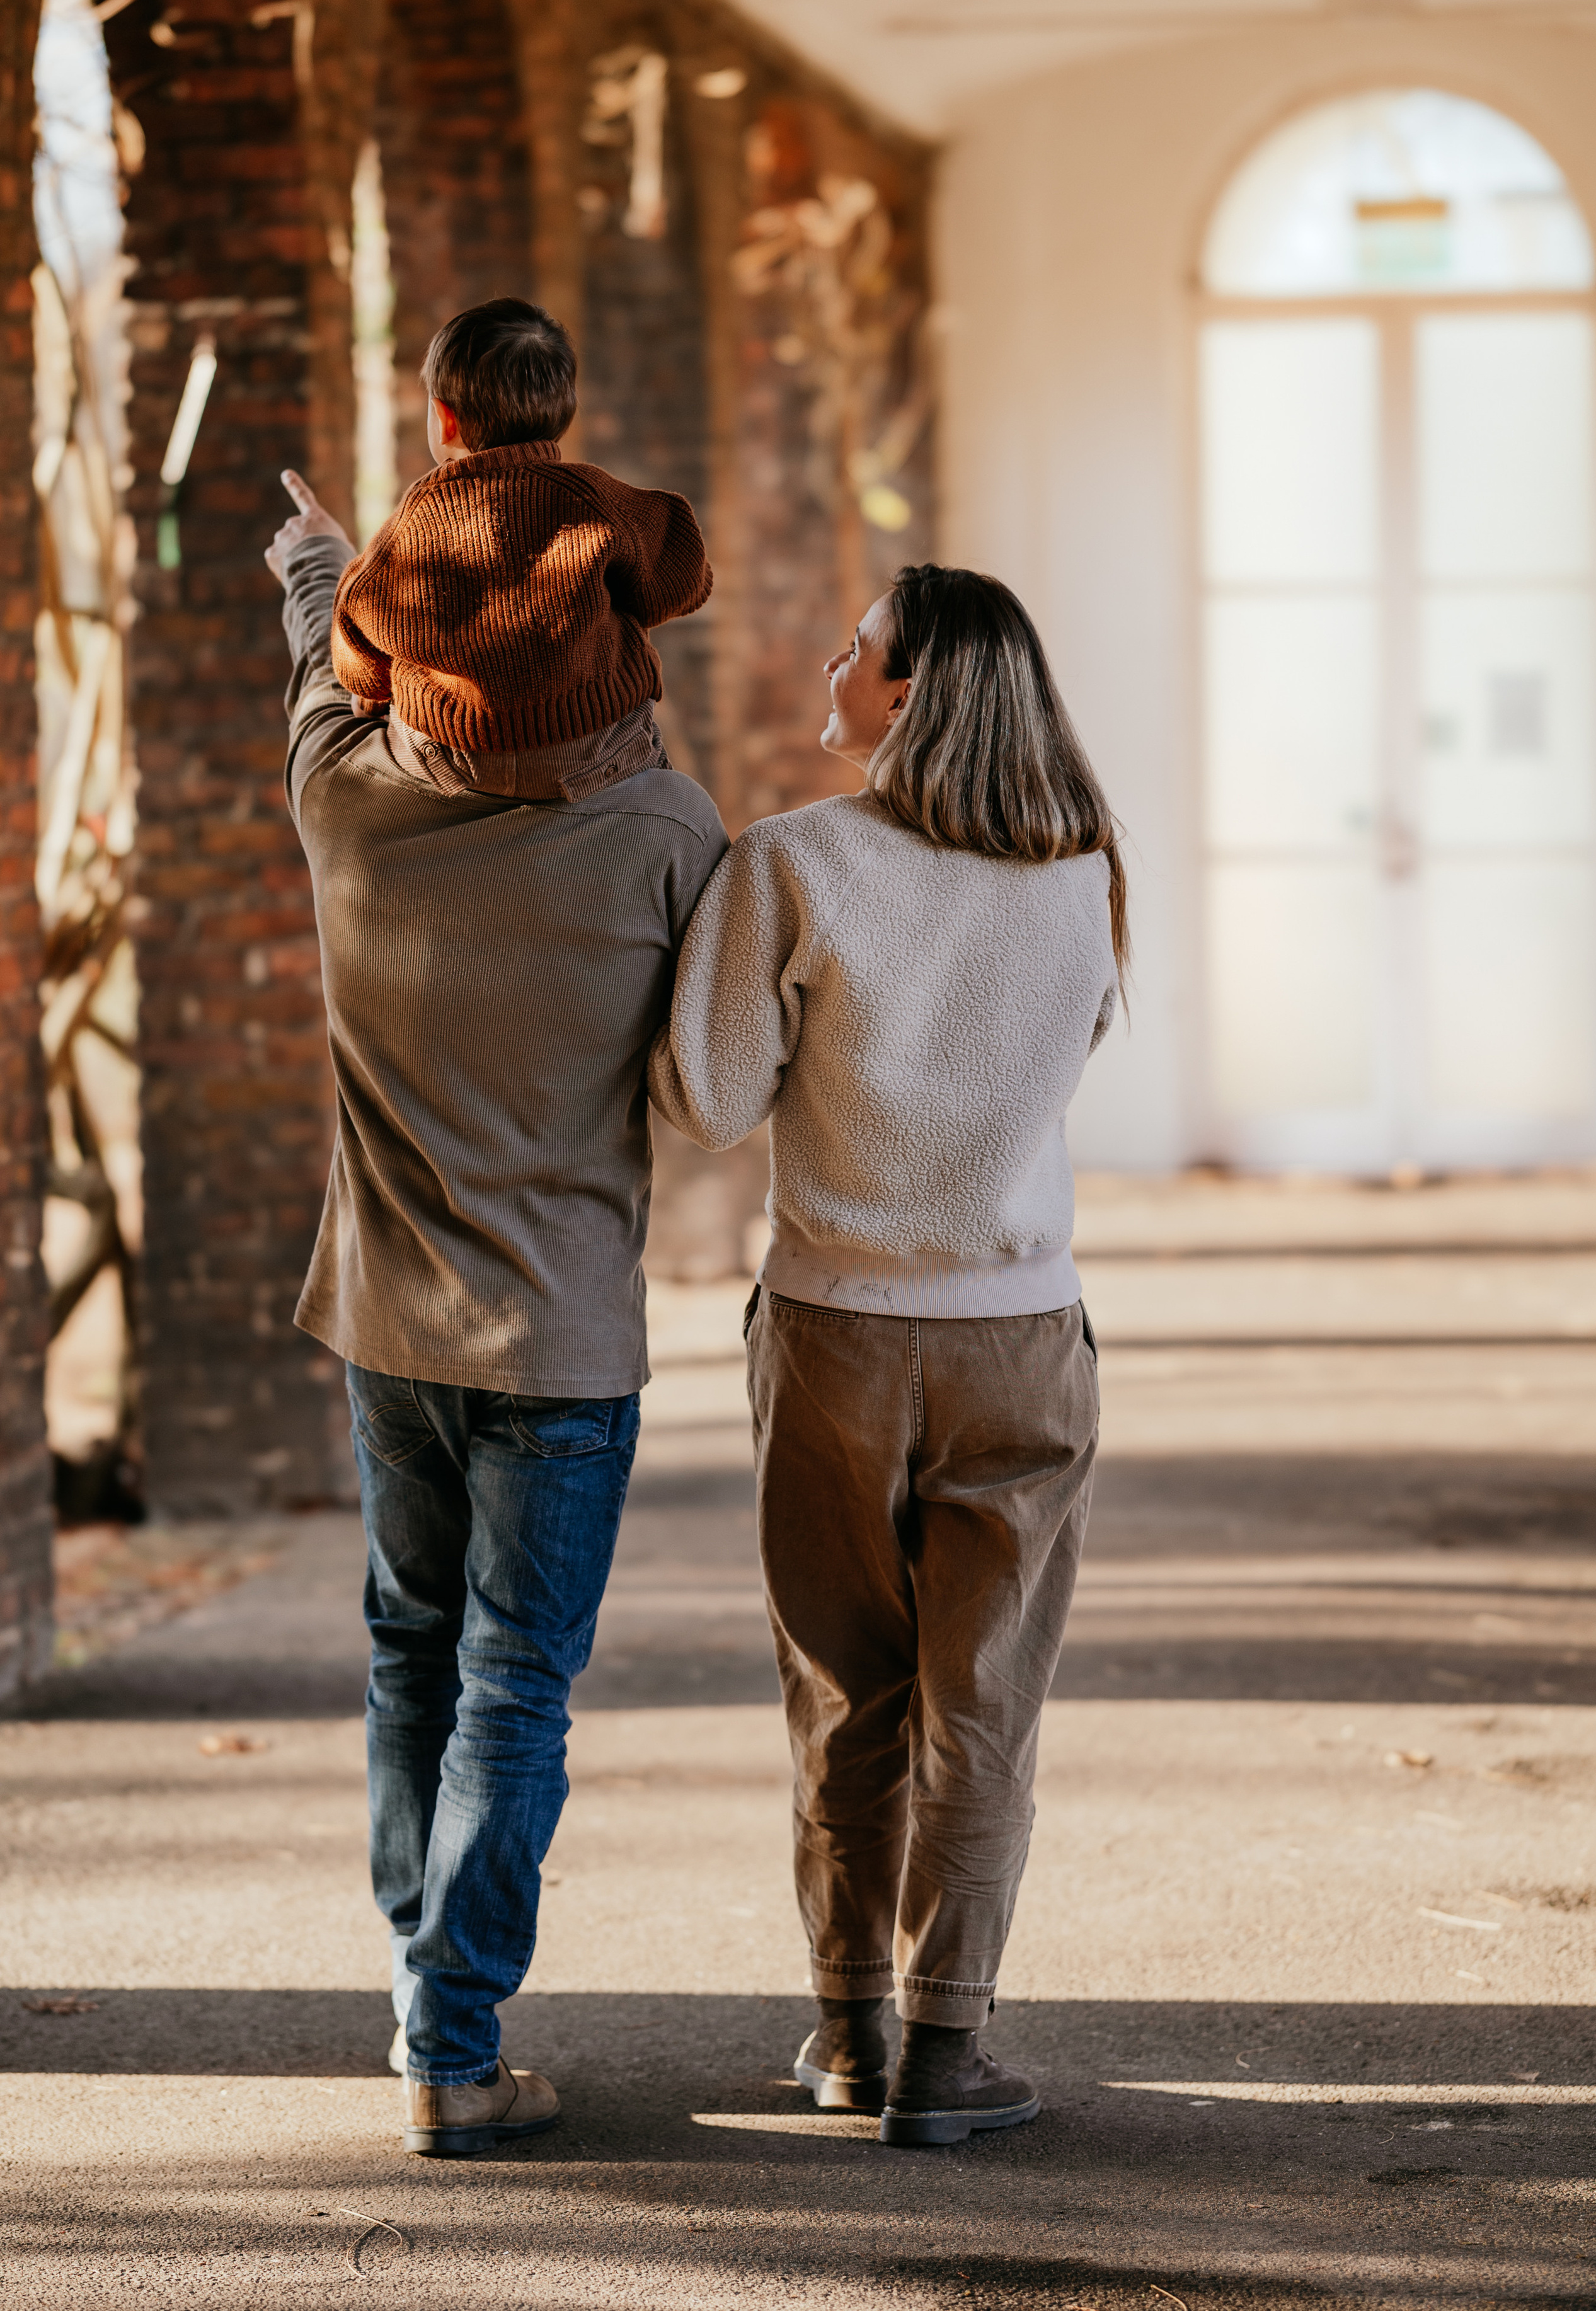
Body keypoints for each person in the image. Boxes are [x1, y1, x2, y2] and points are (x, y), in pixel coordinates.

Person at [263, 297, 726, 2156]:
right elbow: (711, 1085)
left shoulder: (343, 809)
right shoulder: (673, 837)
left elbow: (326, 643)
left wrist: (323, 562)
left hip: (388, 1323)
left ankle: (420, 2004)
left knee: (408, 1654)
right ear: (610, 623)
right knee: (513, 1685)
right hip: (564, 1341)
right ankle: (455, 2040)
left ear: (441, 434)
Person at [648, 564, 1123, 2148]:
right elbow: (1076, 1050)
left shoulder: (786, 863)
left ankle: (846, 2028)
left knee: (844, 1690)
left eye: (854, 651)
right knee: (979, 1703)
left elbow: (708, 1100)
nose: (829, 667)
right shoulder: (1081, 871)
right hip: (1018, 1337)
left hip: (836, 1331)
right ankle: (946, 2054)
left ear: (907, 693)